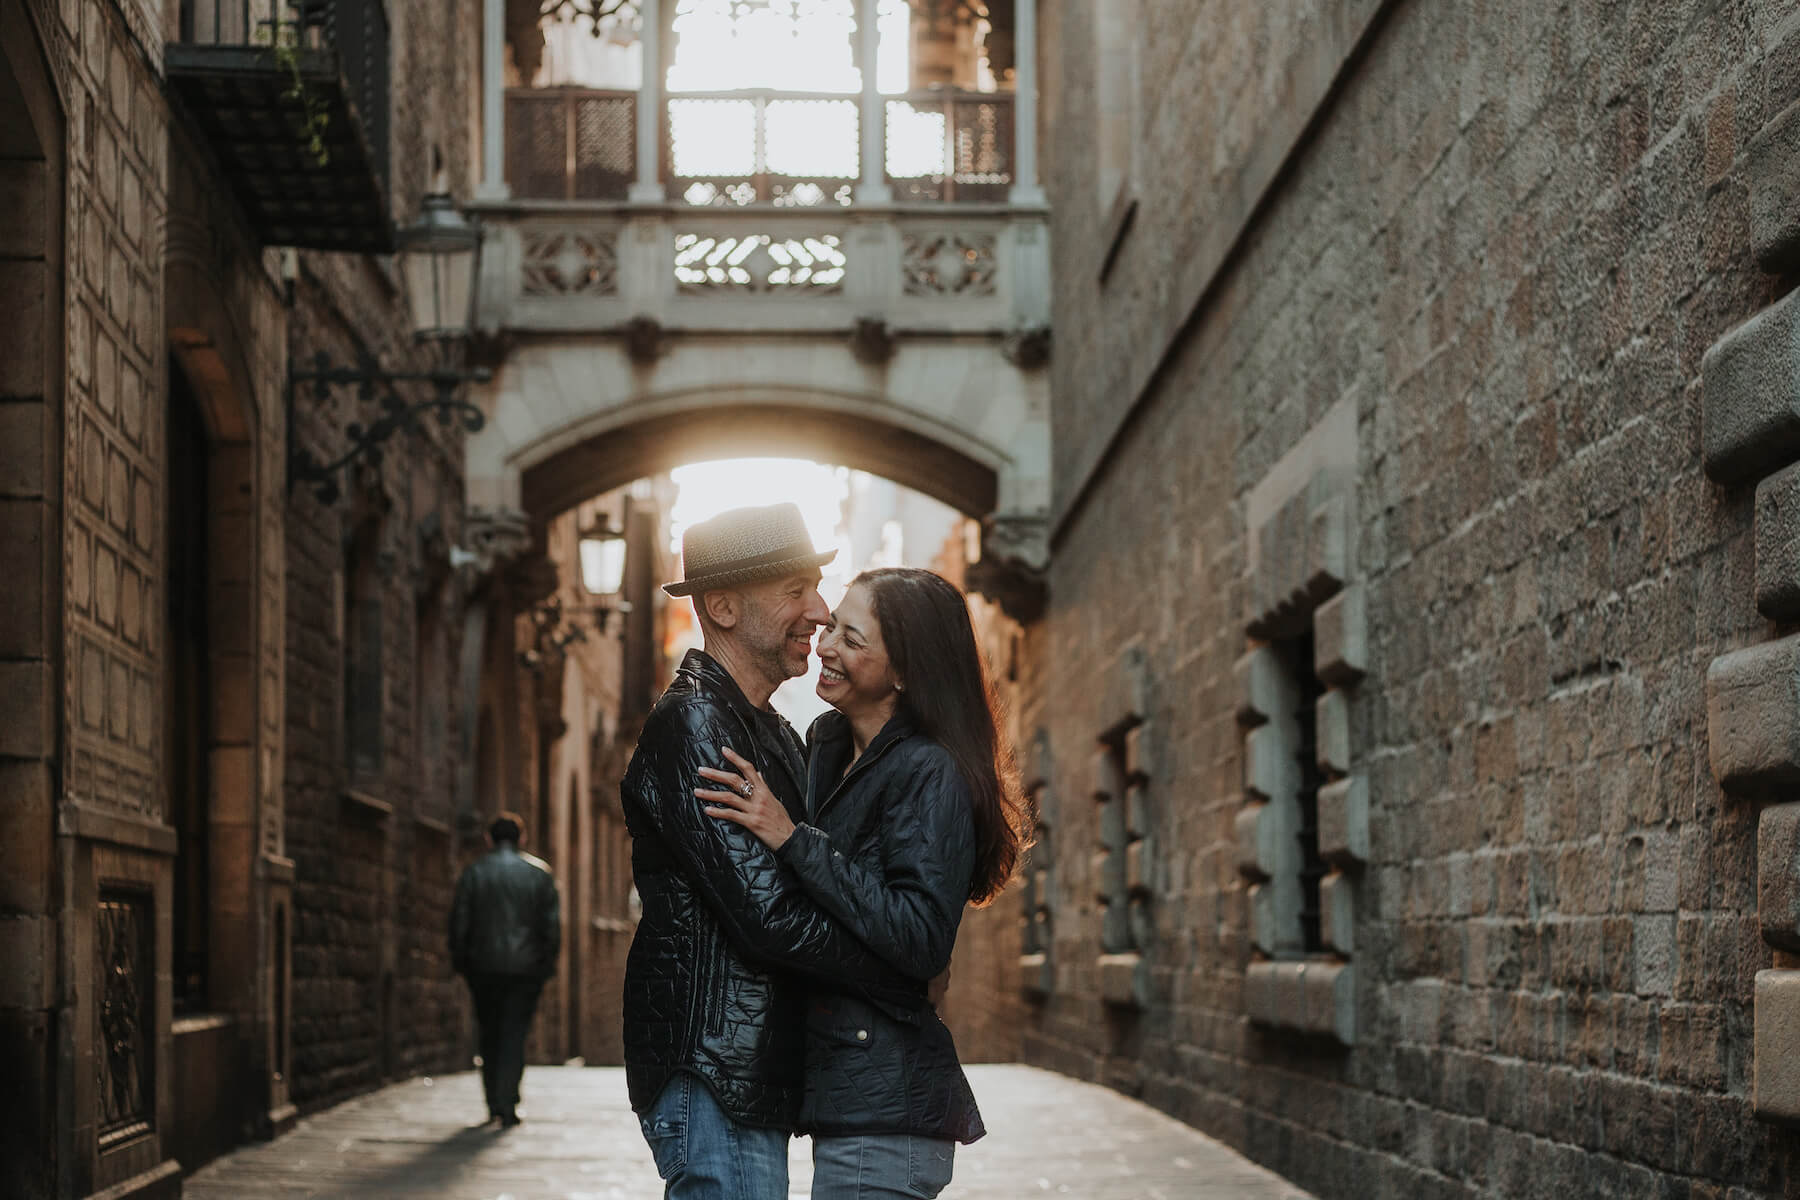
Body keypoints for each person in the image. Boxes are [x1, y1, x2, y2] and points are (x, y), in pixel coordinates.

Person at [621, 503, 928, 1200]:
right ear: (723, 606)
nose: (819, 612)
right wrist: (897, 966)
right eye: (796, 589)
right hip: (715, 1066)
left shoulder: (767, 730)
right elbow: (771, 915)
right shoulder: (697, 722)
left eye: (817, 587)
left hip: (747, 1069)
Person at [696, 566, 1031, 1200]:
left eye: (852, 639)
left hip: (888, 1113)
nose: (825, 645)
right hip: (847, 1098)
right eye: (833, 629)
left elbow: (921, 939)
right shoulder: (825, 746)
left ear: (904, 671)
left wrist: (795, 839)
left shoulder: (929, 772)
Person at [448, 811, 561, 1128]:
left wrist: (462, 961)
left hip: (483, 968)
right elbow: (550, 928)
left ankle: (493, 1102)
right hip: (525, 970)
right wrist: (545, 964)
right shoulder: (539, 874)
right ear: (521, 838)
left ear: (489, 839)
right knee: (514, 1034)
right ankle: (508, 1102)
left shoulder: (474, 873)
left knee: (489, 1032)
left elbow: (460, 923)